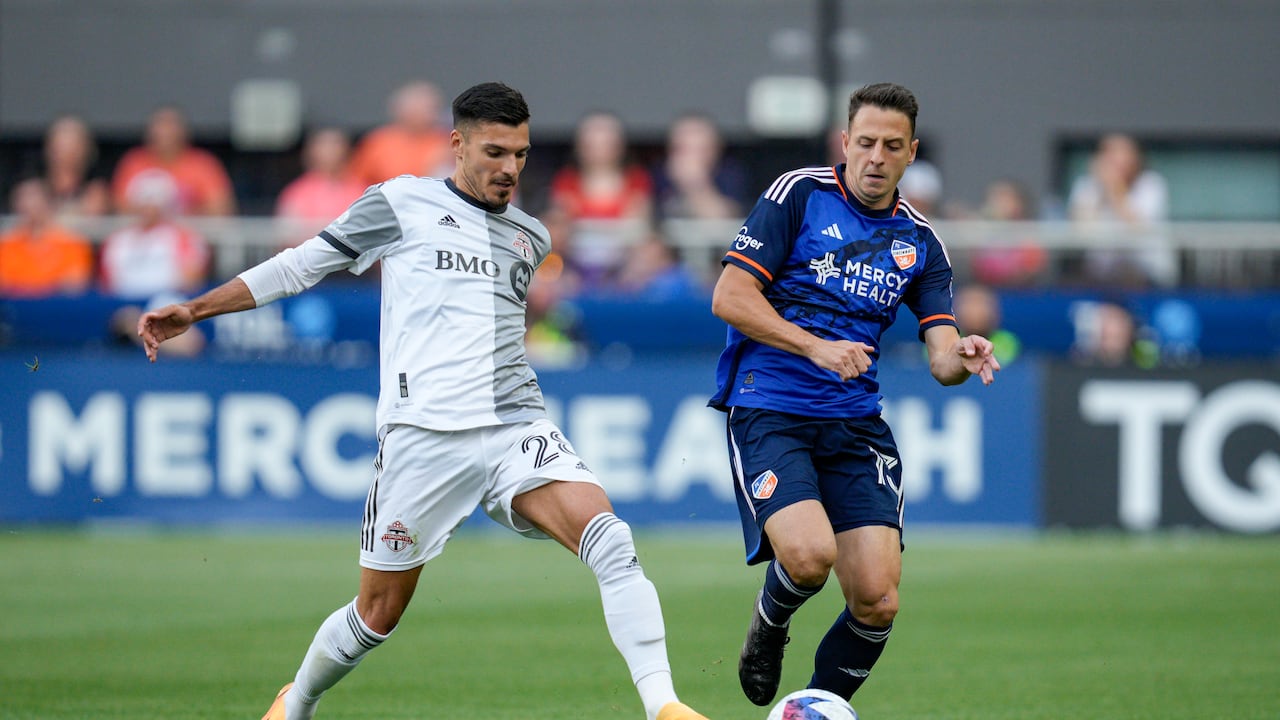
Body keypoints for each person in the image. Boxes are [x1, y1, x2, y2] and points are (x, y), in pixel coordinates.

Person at [136, 82, 709, 720]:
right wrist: (196, 307)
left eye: (520, 155)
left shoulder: (531, 238)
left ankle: (664, 706)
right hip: (422, 437)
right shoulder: (400, 202)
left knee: (611, 539)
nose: (510, 169)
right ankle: (295, 703)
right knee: (376, 614)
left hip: (513, 423)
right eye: (495, 152)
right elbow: (301, 264)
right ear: (457, 144)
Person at [708, 82, 1000, 707]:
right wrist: (813, 346)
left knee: (878, 599)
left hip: (855, 424)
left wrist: (963, 356)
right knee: (809, 558)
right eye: (864, 142)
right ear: (844, 143)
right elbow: (729, 297)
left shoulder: (920, 244)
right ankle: (771, 623)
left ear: (911, 153)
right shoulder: (800, 194)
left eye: (891, 146)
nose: (875, 156)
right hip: (771, 407)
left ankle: (815, 706)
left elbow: (941, 358)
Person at [549, 111, 653, 287]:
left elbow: (639, 230)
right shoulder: (566, 181)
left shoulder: (637, 180)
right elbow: (559, 229)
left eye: (606, 142)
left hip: (626, 268)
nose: (600, 149)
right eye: (593, 143)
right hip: (574, 268)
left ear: (619, 146)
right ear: (580, 146)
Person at [1066, 133, 1176, 287]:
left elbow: (1138, 230)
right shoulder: (1087, 185)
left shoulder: (1152, 184)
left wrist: (1114, 187)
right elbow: (1081, 232)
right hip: (1100, 278)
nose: (1117, 160)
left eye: (1124, 153)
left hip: (1147, 276)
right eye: (1109, 154)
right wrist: (1100, 192)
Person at [100, 169, 210, 298]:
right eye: (144, 199)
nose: (148, 207)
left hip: (168, 304)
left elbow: (192, 280)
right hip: (123, 303)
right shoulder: (117, 240)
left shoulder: (186, 238)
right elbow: (107, 282)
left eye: (155, 200)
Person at [111, 105, 236, 216]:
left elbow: (221, 209)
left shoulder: (202, 164)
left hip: (188, 238)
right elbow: (118, 207)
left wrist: (175, 213)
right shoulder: (134, 161)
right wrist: (146, 213)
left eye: (171, 125)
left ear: (184, 131)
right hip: (138, 239)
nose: (165, 132)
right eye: (160, 125)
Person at [347, 80, 453, 187]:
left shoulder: (447, 143)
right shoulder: (378, 141)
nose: (426, 114)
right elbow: (357, 182)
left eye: (431, 108)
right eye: (416, 108)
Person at [0, 178, 94, 297]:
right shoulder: (6, 245)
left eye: (35, 198)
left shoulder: (73, 243)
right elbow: (4, 284)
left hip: (57, 309)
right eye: (24, 199)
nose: (30, 205)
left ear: (49, 202)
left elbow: (75, 284)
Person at [275, 127, 367, 245]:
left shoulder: (360, 190)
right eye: (324, 145)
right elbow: (287, 239)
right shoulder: (297, 192)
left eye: (335, 144)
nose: (331, 151)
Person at [652, 112, 745, 221]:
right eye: (683, 149)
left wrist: (696, 184)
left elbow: (722, 222)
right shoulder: (657, 174)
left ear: (716, 149)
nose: (692, 158)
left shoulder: (730, 174)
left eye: (701, 150)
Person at [40, 115, 111, 218]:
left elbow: (95, 210)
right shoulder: (37, 189)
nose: (68, 155)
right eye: (61, 148)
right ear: (48, 150)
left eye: (75, 148)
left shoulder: (97, 189)